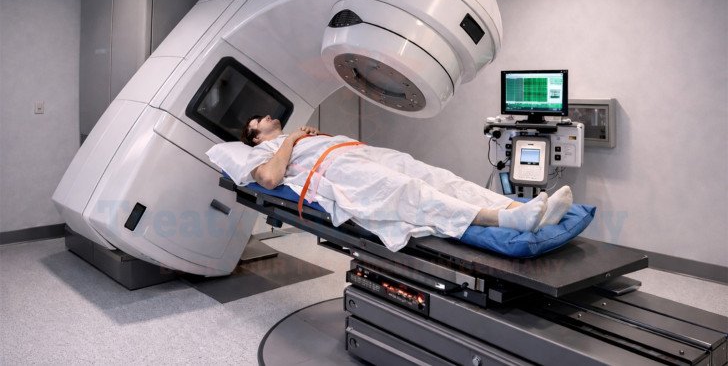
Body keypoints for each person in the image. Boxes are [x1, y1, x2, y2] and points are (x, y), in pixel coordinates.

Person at [239, 115, 573, 251]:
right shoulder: (262, 152)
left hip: (360, 152)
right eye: (260, 119)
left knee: (439, 177)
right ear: (255, 136)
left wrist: (305, 136)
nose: (269, 116)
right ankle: (506, 220)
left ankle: (526, 209)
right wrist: (291, 139)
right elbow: (270, 178)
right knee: (409, 191)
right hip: (337, 170)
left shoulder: (301, 135)